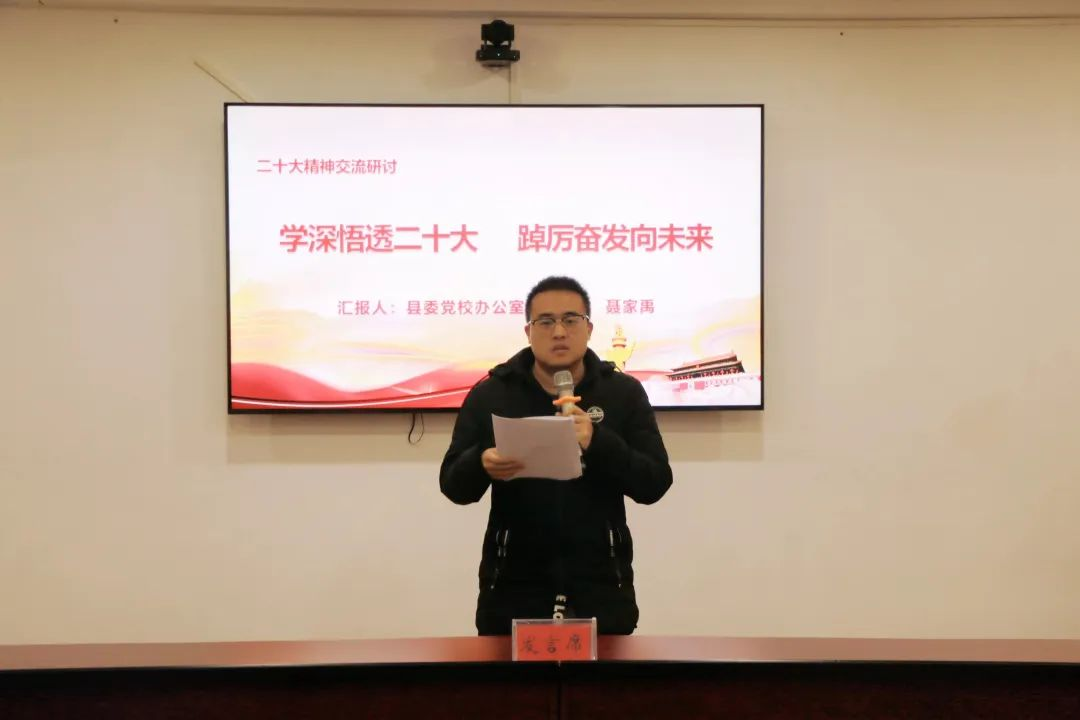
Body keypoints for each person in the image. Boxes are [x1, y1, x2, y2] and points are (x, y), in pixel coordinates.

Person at [439, 276, 672, 635]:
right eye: (545, 321)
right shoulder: (493, 394)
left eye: (570, 320)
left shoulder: (622, 393)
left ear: (589, 328)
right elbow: (453, 484)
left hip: (601, 586)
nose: (559, 332)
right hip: (512, 588)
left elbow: (654, 482)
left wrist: (597, 441)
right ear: (528, 331)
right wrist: (481, 463)